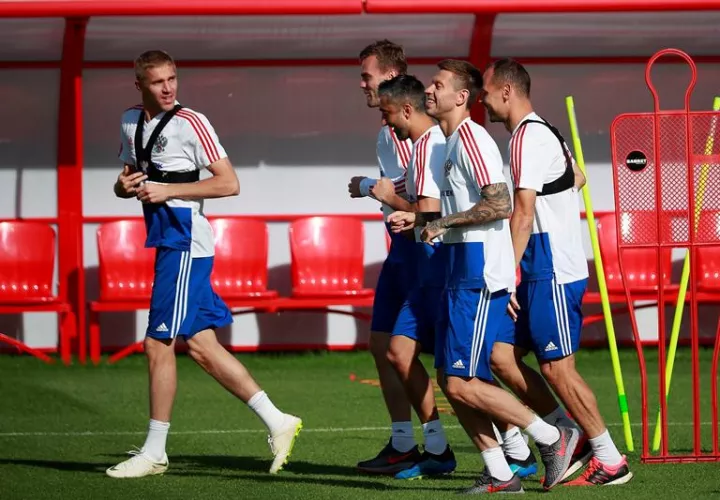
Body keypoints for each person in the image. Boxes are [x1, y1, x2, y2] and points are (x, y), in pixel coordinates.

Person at [106, 50, 302, 479]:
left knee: (158, 343)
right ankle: (278, 421)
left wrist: (166, 192)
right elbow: (131, 179)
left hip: (185, 242)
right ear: (139, 83)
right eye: (158, 81)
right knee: (201, 345)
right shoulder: (129, 120)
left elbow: (229, 182)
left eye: (173, 78)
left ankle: (155, 451)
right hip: (166, 241)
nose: (169, 87)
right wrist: (124, 187)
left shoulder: (192, 122)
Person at [388, 59, 579, 494]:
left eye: (437, 85)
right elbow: (458, 210)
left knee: (461, 381)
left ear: (461, 97)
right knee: (450, 380)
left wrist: (443, 223)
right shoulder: (449, 142)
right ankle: (499, 471)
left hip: (478, 272)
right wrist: (418, 220)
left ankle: (554, 435)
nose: (429, 92)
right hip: (460, 267)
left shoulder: (472, 138)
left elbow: (501, 204)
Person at [480, 57, 633, 486]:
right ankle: (565, 433)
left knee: (556, 369)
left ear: (507, 91)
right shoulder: (541, 133)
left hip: (550, 268)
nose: (483, 100)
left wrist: (504, 275)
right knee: (499, 354)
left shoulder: (528, 137)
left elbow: (525, 212)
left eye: (486, 92)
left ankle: (609, 458)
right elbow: (577, 176)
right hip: (537, 266)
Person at [374, 74, 456, 479]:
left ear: (406, 109)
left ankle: (535, 437)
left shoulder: (430, 146)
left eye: (388, 115)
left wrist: (392, 200)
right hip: (428, 266)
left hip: (439, 266)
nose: (387, 124)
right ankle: (438, 449)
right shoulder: (427, 144)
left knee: (463, 372)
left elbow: (429, 211)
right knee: (399, 352)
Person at [347, 40, 423, 475]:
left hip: (426, 247)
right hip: (401, 250)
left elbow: (423, 197)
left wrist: (374, 190)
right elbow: (398, 188)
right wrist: (373, 189)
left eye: (366, 76)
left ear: (391, 78)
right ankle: (404, 444)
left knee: (474, 358)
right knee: (382, 345)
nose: (362, 85)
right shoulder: (385, 131)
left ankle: (532, 439)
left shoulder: (416, 129)